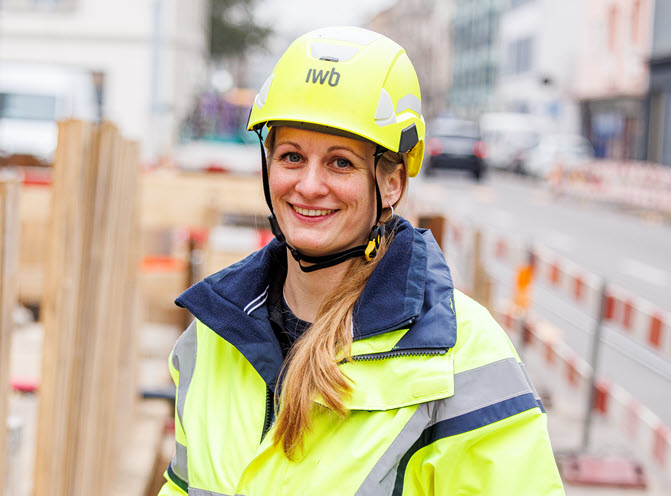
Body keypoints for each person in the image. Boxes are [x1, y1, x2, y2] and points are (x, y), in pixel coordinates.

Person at [158, 26, 564, 495]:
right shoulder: (212, 335)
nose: (309, 185)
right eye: (291, 157)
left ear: (391, 182)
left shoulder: (462, 357)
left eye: (340, 163)